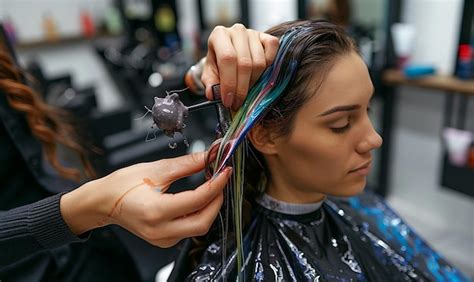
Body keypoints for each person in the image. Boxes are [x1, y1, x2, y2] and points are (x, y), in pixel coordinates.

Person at [168, 20, 470, 281]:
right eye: (341, 123)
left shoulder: (357, 209)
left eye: (368, 110)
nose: (374, 139)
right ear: (266, 134)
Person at [0, 24, 279, 281]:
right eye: (326, 127)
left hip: (95, 253)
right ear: (264, 135)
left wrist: (203, 73)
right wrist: (84, 207)